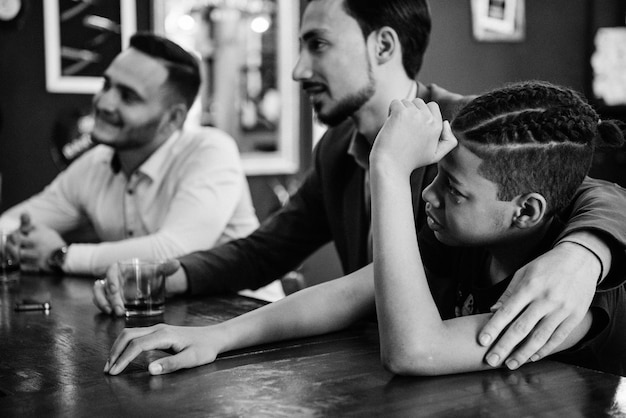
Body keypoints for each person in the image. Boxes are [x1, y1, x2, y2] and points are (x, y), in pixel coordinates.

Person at [95, 0, 626, 368]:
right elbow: (291, 259)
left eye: (317, 45)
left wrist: (588, 250)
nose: (298, 69)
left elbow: (589, 191)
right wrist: (201, 316)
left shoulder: (473, 133)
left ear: (384, 44)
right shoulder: (344, 153)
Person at [370, 81, 626, 375]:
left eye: (454, 189)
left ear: (526, 211)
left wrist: (389, 169)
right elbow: (348, 296)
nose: (429, 193)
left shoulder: (568, 293)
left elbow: (413, 353)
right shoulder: (462, 238)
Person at [0, 33, 258, 277]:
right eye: (107, 85)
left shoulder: (210, 151)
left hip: (245, 313)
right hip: (166, 318)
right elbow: (10, 223)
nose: (103, 103)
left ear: (173, 118)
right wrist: (16, 243)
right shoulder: (95, 163)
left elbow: (173, 252)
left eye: (128, 97)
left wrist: (61, 255)